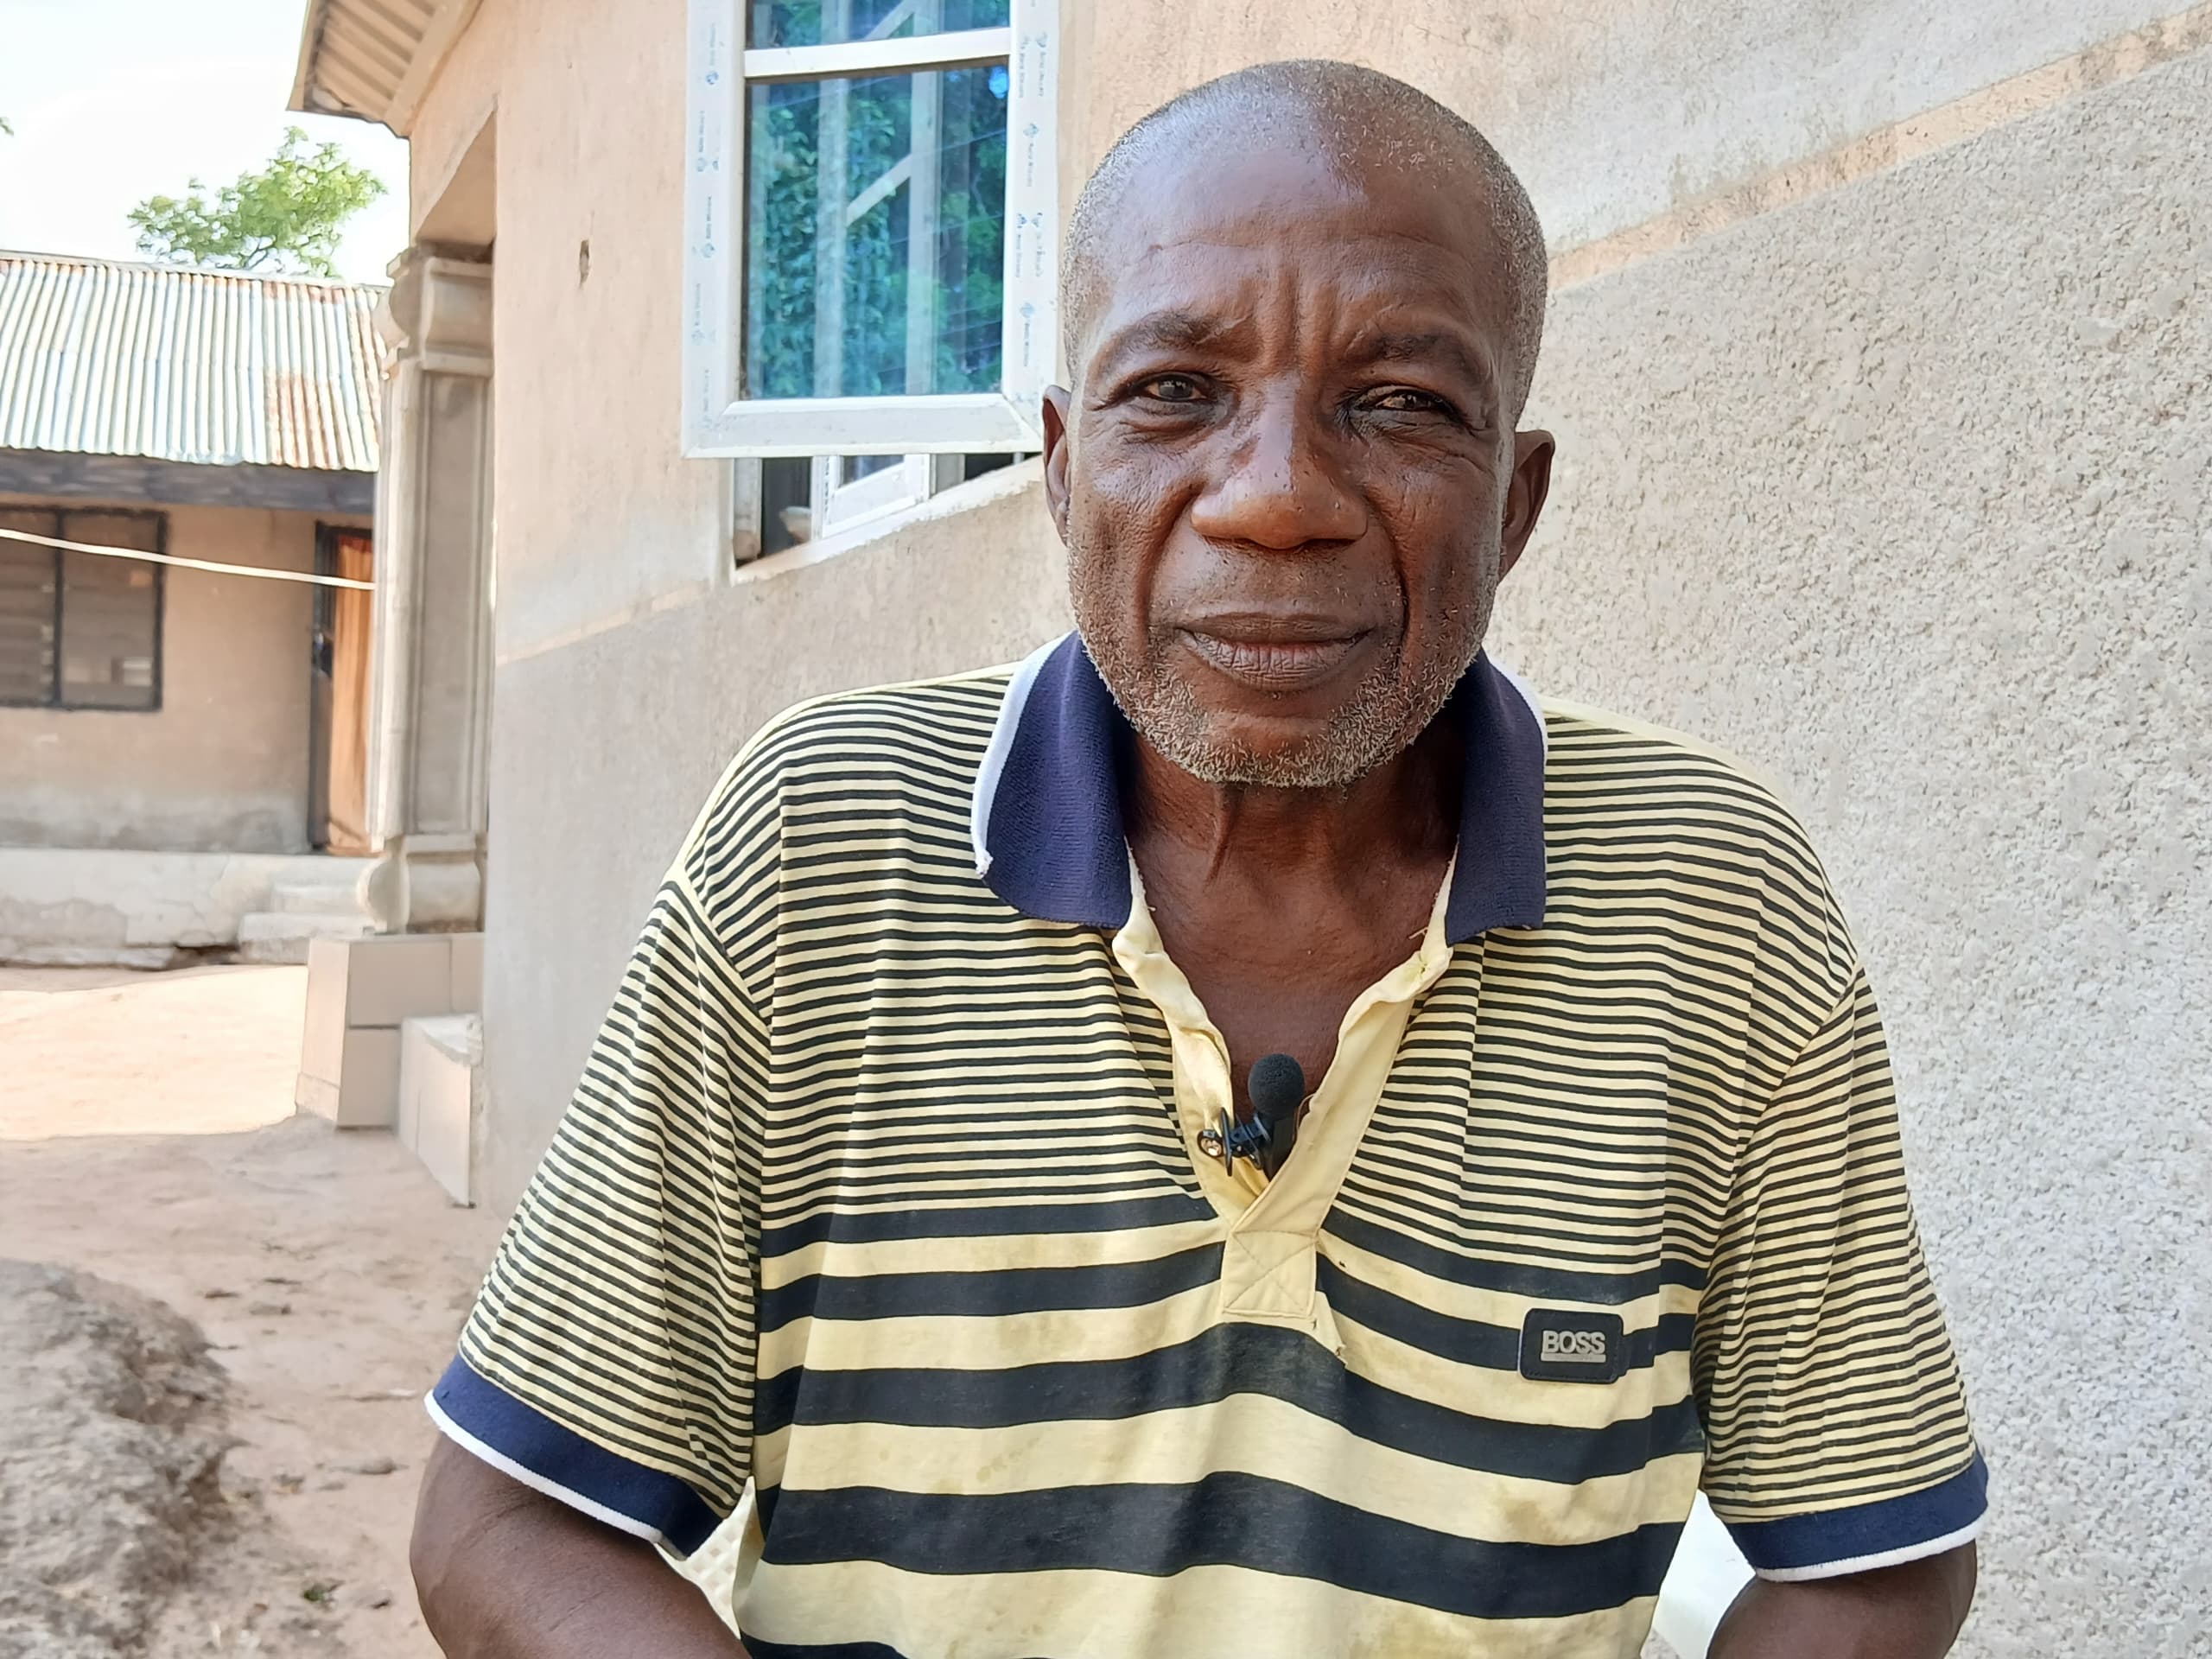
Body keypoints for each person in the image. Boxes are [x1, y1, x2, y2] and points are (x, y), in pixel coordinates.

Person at [410, 60, 1985, 1659]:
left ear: (1513, 505)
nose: (1278, 498)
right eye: (1174, 391)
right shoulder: (826, 847)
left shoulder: (1710, 897)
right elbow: (515, 1522)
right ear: (1061, 462)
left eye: (1400, 404)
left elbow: (1867, 1557)